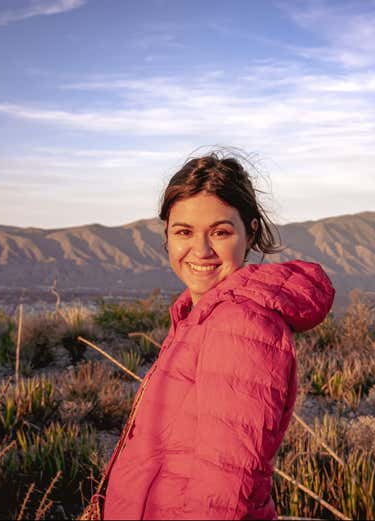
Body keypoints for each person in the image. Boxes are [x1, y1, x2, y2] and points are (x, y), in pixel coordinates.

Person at [88, 153, 335, 520]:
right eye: (184, 231)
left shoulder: (241, 324)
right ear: (167, 235)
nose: (200, 251)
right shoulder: (198, 315)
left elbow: (223, 486)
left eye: (220, 232)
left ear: (250, 232)